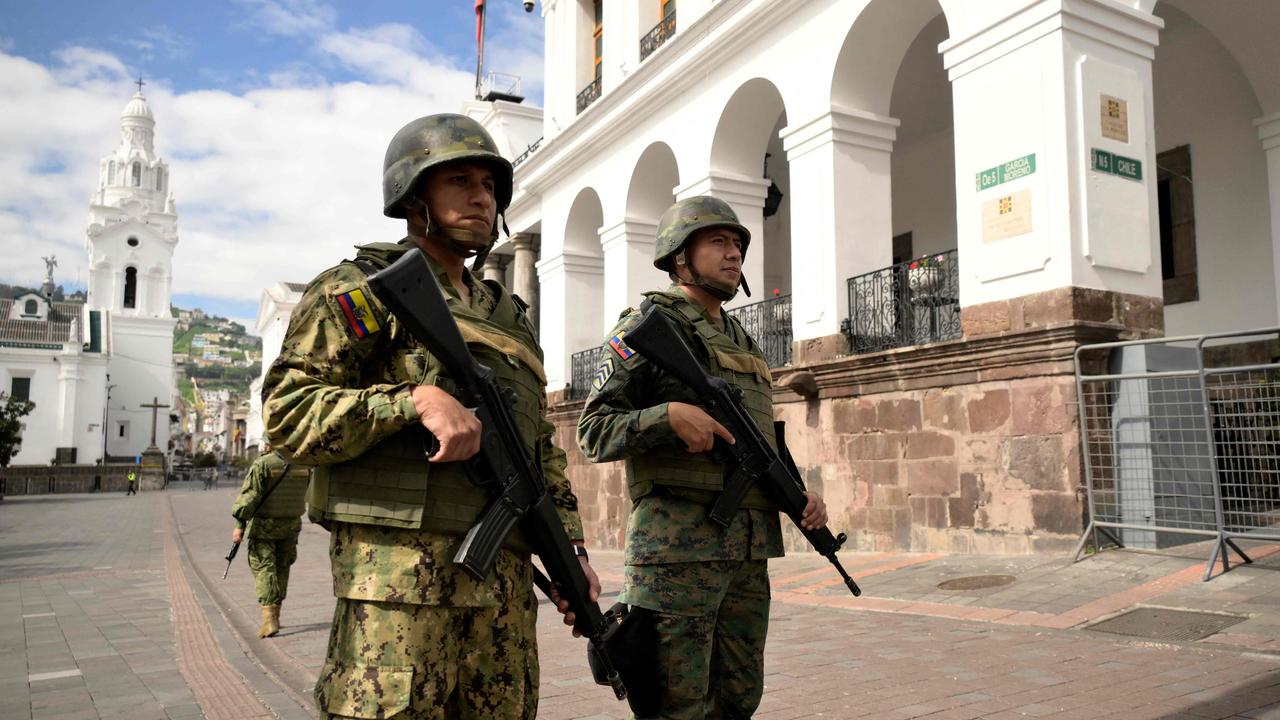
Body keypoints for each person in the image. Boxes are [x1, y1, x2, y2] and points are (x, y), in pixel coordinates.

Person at [262, 113, 596, 720]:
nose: (480, 197)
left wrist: (570, 548)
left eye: (490, 186)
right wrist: (410, 401)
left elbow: (540, 446)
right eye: (459, 181)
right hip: (396, 593)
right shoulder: (362, 289)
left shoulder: (510, 317)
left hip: (504, 597)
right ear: (414, 198)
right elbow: (287, 413)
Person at [577, 196, 830, 719]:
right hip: (677, 552)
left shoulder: (740, 339)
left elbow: (762, 442)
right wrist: (666, 417)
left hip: (747, 552)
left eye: (737, 243)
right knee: (677, 704)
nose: (734, 253)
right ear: (678, 256)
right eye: (718, 241)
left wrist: (799, 493)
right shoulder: (645, 326)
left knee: (739, 699)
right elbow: (593, 430)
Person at [229, 448, 312, 638]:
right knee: (283, 568)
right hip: (291, 525)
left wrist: (239, 524)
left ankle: (269, 620)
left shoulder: (264, 464)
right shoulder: (305, 464)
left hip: (265, 526)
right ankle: (277, 614)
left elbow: (250, 496)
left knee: (264, 567)